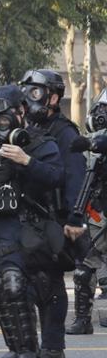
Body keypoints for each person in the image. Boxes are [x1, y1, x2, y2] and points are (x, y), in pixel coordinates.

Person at [0, 84, 64, 358]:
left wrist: (26, 161)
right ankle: (14, 348)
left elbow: (57, 176)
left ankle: (29, 353)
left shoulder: (40, 142)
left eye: (4, 117)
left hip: (23, 225)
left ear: (21, 112)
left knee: (14, 284)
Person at [17, 69, 84, 358]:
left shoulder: (64, 131)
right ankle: (29, 346)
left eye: (37, 92)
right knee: (26, 281)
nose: (31, 99)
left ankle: (54, 347)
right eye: (28, 92)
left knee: (50, 282)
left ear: (54, 97)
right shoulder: (25, 128)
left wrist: (74, 217)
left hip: (55, 217)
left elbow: (75, 177)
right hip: (28, 216)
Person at [67, 90, 107, 333]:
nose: (99, 115)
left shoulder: (98, 141)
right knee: (84, 268)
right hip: (99, 212)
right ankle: (82, 320)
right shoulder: (95, 143)